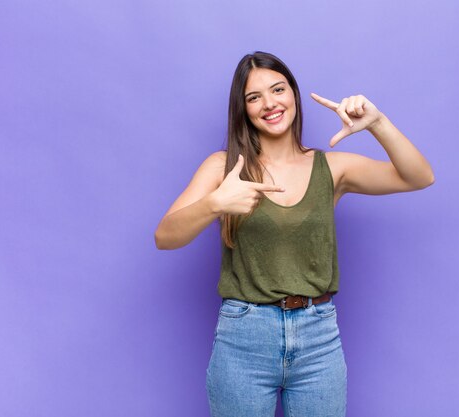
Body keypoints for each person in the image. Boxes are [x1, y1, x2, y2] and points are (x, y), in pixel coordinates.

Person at [154, 51, 434, 417]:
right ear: (243, 109)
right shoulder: (222, 167)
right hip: (244, 338)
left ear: (294, 96)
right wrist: (215, 203)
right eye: (254, 97)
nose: (269, 104)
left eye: (278, 89)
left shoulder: (332, 168)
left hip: (318, 338)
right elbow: (165, 237)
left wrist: (377, 122)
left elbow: (419, 176)